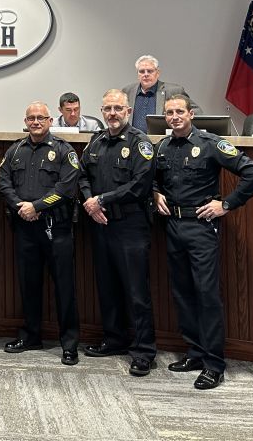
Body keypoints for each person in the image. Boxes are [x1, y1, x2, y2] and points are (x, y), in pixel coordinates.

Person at [154, 94, 253, 390]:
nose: (175, 116)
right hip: (173, 226)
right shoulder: (163, 147)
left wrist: (226, 204)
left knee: (206, 294)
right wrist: (155, 193)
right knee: (182, 293)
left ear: (191, 114)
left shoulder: (210, 143)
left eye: (180, 111)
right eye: (170, 112)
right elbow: (151, 179)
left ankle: (214, 364)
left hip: (202, 227)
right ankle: (195, 353)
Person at [78, 90, 157, 376]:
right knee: (107, 285)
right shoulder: (96, 141)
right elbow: (82, 175)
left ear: (128, 110)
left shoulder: (140, 142)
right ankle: (114, 340)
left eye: (117, 108)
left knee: (136, 290)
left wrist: (101, 200)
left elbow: (140, 184)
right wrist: (90, 202)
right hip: (100, 223)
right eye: (107, 108)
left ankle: (144, 351)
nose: (112, 113)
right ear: (101, 110)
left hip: (130, 225)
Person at [0, 101, 81, 365]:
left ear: (50, 121)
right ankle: (31, 335)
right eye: (31, 118)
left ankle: (69, 343)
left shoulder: (64, 150)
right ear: (25, 121)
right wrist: (21, 206)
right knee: (28, 283)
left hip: (56, 228)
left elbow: (67, 187)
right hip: (25, 227)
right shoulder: (15, 150)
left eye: (40, 118)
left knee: (64, 287)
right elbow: (3, 181)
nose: (35, 122)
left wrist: (37, 206)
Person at [122, 55, 200, 133]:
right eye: (142, 71)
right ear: (138, 74)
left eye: (150, 71)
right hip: (133, 141)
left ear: (158, 73)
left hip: (162, 140)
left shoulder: (174, 91)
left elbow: (196, 112)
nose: (145, 74)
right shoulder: (128, 91)